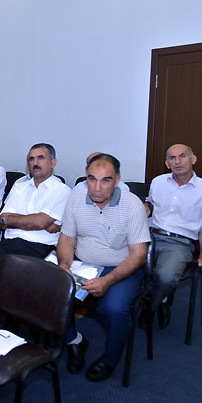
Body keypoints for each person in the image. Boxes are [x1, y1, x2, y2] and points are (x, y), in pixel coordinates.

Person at [57, 154, 150, 382]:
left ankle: (110, 360)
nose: (97, 188)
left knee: (115, 309)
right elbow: (66, 240)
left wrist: (107, 281)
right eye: (92, 179)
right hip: (82, 264)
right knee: (47, 289)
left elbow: (139, 255)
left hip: (120, 269)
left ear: (117, 181)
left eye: (105, 180)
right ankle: (74, 341)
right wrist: (64, 266)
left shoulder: (132, 205)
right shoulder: (75, 200)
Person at [0, 143, 71, 306]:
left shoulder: (61, 190)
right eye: (31, 159)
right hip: (8, 246)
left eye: (40, 158)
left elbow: (39, 221)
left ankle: (7, 315)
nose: (35, 163)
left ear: (53, 162)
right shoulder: (19, 186)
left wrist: (15, 220)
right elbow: (2, 220)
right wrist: (37, 222)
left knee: (13, 285)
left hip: (38, 250)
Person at [144, 144, 202, 328]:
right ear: (167, 163)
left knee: (165, 277)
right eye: (172, 158)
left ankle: (151, 306)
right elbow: (150, 204)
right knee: (118, 262)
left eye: (182, 156)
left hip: (180, 243)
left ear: (193, 159)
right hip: (149, 236)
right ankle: (158, 297)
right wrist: (146, 206)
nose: (177, 161)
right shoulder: (158, 182)